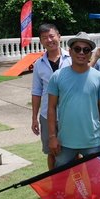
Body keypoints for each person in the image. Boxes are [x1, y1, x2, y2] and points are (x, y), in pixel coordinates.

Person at [37, 32, 100, 199]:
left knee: (96, 181)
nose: (82, 53)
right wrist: (53, 137)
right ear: (70, 51)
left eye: (86, 50)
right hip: (65, 141)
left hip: (92, 139)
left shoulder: (98, 77)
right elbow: (51, 108)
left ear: (91, 53)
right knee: (59, 181)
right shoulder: (58, 76)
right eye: (77, 49)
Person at [31, 23, 71, 170]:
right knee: (51, 151)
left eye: (51, 36)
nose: (49, 40)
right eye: (44, 38)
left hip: (70, 114)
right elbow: (36, 92)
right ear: (41, 41)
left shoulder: (71, 59)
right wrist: (34, 117)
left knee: (74, 149)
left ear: (59, 37)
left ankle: (77, 184)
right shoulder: (38, 64)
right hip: (47, 115)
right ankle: (55, 185)